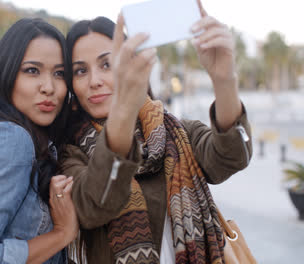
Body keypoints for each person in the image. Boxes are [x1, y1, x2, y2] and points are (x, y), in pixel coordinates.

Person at [60, 2, 253, 264]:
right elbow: (96, 203)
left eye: (107, 64)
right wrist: (125, 107)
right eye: (81, 70)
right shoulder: (68, 153)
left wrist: (223, 79)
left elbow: (231, 157)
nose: (95, 80)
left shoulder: (177, 132)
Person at [0, 18, 78, 264]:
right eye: (32, 70)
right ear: (6, 74)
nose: (49, 87)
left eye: (59, 73)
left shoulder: (36, 141)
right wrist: (62, 234)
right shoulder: (12, 140)